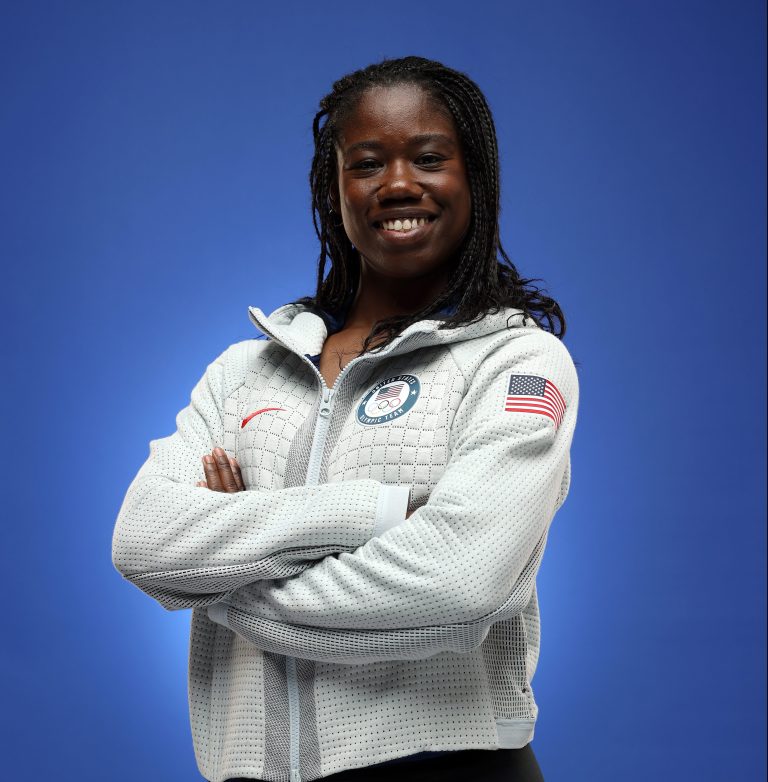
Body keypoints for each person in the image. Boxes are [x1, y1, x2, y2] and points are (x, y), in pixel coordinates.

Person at [112, 55, 579, 782]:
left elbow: (460, 583)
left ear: (474, 181)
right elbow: (143, 540)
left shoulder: (516, 361)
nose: (397, 183)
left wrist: (230, 575)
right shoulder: (243, 370)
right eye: (367, 163)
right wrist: (379, 511)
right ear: (335, 191)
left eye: (428, 158)